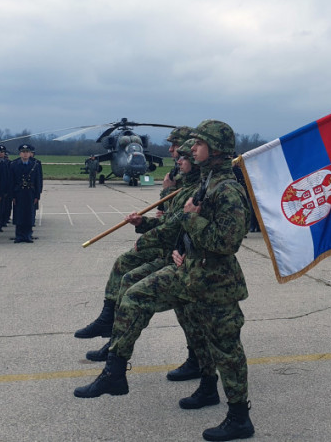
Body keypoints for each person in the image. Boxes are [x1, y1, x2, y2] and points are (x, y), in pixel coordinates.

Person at [74, 119, 255, 441]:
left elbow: (226, 243)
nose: (190, 149)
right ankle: (115, 371)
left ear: (214, 150)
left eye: (198, 144)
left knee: (226, 350)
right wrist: (148, 231)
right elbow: (175, 224)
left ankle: (239, 418)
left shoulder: (227, 190)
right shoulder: (208, 182)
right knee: (135, 296)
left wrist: (189, 218)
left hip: (216, 282)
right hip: (189, 271)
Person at [10, 144, 43, 243]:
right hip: (19, 192)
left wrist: (37, 195)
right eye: (23, 152)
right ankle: (19, 236)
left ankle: (28, 235)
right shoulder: (14, 165)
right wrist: (12, 196)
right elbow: (11, 181)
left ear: (30, 153)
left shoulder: (35, 165)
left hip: (30, 193)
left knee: (29, 214)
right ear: (20, 153)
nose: (25, 154)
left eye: (27, 152)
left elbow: (38, 181)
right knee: (19, 214)